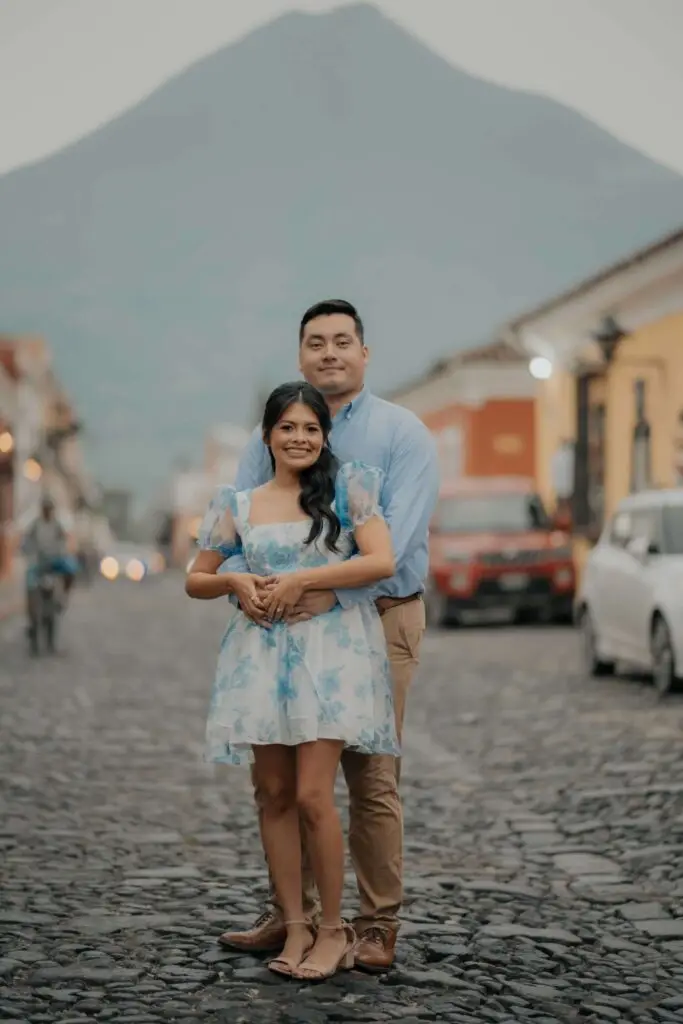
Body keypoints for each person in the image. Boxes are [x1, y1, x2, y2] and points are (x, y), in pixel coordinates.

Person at [215, 299, 439, 971]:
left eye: (343, 341)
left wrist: (324, 591)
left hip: (379, 616)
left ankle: (374, 924)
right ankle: (298, 916)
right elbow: (232, 537)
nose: (330, 352)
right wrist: (244, 585)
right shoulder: (277, 435)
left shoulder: (403, 435)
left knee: (369, 775)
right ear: (301, 355)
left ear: (364, 354)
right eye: (316, 342)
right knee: (280, 781)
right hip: (284, 629)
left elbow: (391, 547)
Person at [186, 381, 400, 981]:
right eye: (288, 428)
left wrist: (305, 582)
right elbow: (195, 578)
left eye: (311, 428)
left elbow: (380, 560)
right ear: (268, 436)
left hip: (329, 658)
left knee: (312, 796)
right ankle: (296, 925)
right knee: (272, 795)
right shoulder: (240, 502)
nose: (299, 438)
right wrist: (234, 583)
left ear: (323, 437)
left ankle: (334, 931)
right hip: (260, 659)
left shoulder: (349, 488)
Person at [22, 496, 78, 629]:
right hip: (39, 562)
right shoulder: (35, 524)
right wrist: (28, 551)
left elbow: (64, 539)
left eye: (49, 509)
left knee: (71, 569)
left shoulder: (57, 524)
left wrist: (62, 550)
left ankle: (64, 596)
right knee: (30, 582)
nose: (47, 511)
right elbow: (27, 540)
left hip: (54, 561)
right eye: (45, 509)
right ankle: (31, 613)